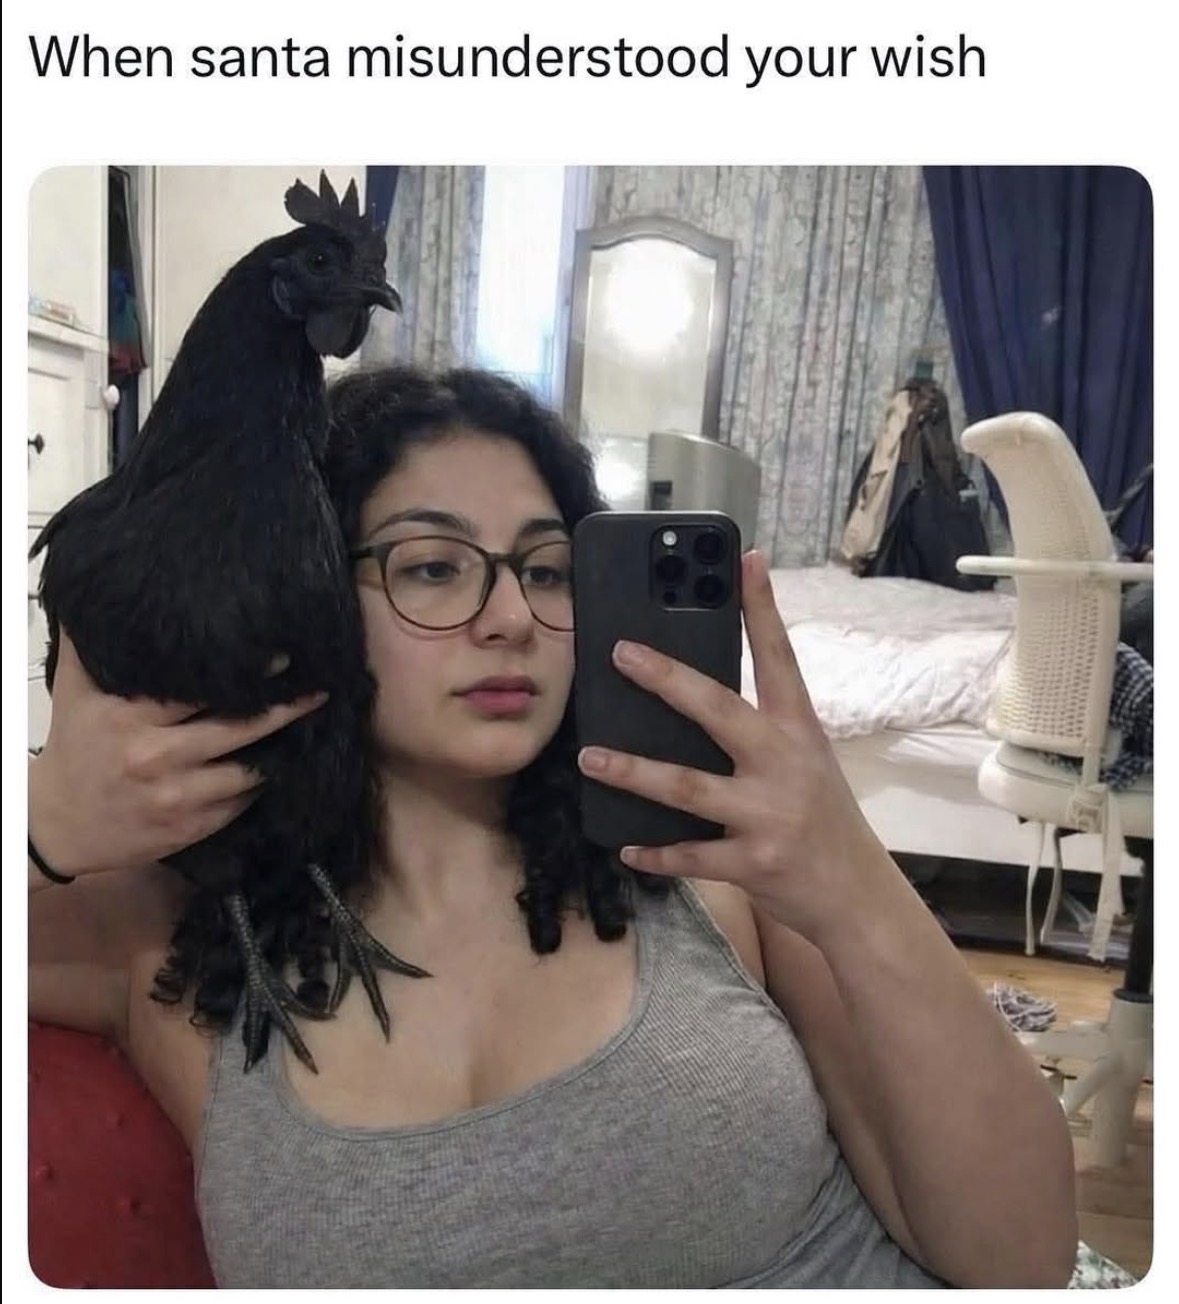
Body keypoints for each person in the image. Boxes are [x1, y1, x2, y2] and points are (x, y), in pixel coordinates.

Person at [28, 364, 1079, 1289]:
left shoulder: (706, 859)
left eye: (546, 570)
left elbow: (1023, 1257)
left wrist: (853, 880)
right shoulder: (172, 936)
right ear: (306, 596)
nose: (512, 619)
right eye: (433, 565)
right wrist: (43, 820)